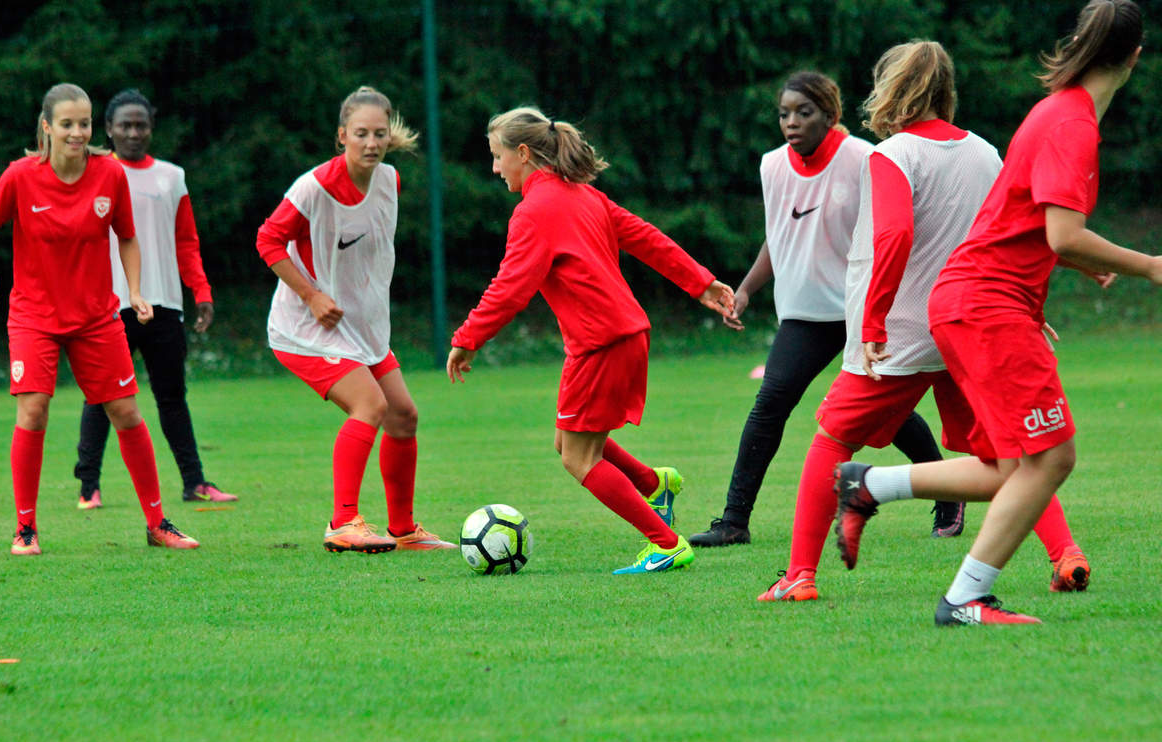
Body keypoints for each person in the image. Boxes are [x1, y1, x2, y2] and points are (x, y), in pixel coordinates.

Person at [834, 0, 1161, 625]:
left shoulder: (1052, 112)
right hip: (990, 304)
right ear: (1135, 57)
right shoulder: (1074, 125)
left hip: (969, 300)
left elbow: (1030, 224)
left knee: (1012, 469)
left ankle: (870, 485)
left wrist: (1078, 260)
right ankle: (964, 599)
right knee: (1053, 457)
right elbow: (1063, 232)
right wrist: (1148, 264)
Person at [447, 106, 736, 574]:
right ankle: (652, 484)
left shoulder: (533, 212)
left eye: (498, 157)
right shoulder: (584, 196)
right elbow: (647, 238)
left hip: (600, 343)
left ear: (523, 153)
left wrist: (468, 338)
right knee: (568, 443)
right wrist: (700, 282)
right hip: (621, 336)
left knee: (579, 459)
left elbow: (510, 287)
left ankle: (665, 544)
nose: (495, 168)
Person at [690, 71, 963, 549]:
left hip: (864, 309)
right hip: (804, 314)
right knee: (770, 404)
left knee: (887, 415)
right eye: (783, 114)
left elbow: (894, 231)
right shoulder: (771, 166)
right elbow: (779, 237)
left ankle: (947, 493)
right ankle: (733, 521)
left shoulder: (865, 158)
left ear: (832, 116)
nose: (791, 122)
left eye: (804, 112)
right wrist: (749, 289)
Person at [0, 82, 198, 554]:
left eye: (85, 123)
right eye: (68, 124)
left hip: (96, 316)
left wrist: (134, 291)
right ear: (48, 127)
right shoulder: (20, 176)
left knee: (127, 412)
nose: (77, 132)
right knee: (33, 411)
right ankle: (25, 528)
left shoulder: (109, 175)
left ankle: (158, 524)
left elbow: (128, 237)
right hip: (34, 315)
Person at [256, 85, 454, 553]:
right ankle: (342, 523)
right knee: (371, 405)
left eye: (379, 133)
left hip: (361, 329)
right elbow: (267, 240)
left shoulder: (390, 180)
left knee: (404, 416)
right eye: (360, 133)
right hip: (306, 330)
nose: (371, 142)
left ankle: (403, 531)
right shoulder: (314, 187)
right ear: (341, 135)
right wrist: (311, 296)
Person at [73, 88, 237, 510]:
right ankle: (88, 485)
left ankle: (194, 481)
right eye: (124, 125)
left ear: (151, 127)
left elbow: (186, 241)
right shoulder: (91, 172)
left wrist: (201, 291)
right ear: (107, 129)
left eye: (140, 124)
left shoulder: (171, 176)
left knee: (172, 396)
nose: (132, 132)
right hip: (108, 305)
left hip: (164, 302)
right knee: (101, 396)